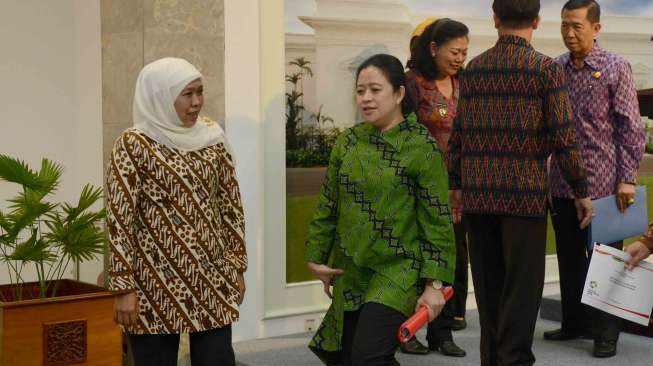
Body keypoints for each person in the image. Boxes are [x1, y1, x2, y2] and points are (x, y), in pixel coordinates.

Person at [447, 1, 593, 365]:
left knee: (489, 294)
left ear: (495, 19)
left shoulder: (474, 69)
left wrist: (455, 186)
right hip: (523, 201)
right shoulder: (545, 69)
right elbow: (563, 136)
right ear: (538, 21)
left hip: (479, 201)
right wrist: (581, 190)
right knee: (522, 296)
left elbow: (458, 136)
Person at [305, 53, 456, 366]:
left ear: (399, 94)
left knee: (369, 357)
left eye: (375, 90)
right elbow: (329, 203)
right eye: (360, 91)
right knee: (344, 358)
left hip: (398, 270)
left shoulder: (421, 147)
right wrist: (316, 255)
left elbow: (437, 221)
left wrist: (434, 284)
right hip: (351, 266)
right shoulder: (347, 142)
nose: (366, 98)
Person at [106, 57, 247, 366]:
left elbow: (230, 206)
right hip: (152, 283)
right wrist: (123, 288)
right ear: (159, 95)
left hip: (211, 277)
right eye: (187, 94)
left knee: (219, 360)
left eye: (200, 92)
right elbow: (119, 221)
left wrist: (236, 266)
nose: (197, 102)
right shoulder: (133, 145)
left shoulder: (212, 139)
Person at [544, 0, 645, 358]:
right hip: (562, 184)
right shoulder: (555, 68)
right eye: (564, 26)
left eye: (577, 26)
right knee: (570, 259)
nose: (569, 33)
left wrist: (627, 179)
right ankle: (574, 323)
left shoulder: (616, 67)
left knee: (606, 261)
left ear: (596, 28)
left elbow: (631, 128)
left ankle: (606, 334)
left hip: (607, 187)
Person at [400, 18, 470, 358]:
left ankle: (442, 335)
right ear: (432, 48)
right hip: (416, 189)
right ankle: (406, 329)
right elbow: (402, 135)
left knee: (447, 261)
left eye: (464, 52)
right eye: (454, 51)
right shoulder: (412, 83)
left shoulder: (463, 84)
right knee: (414, 262)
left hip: (455, 193)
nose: (459, 58)